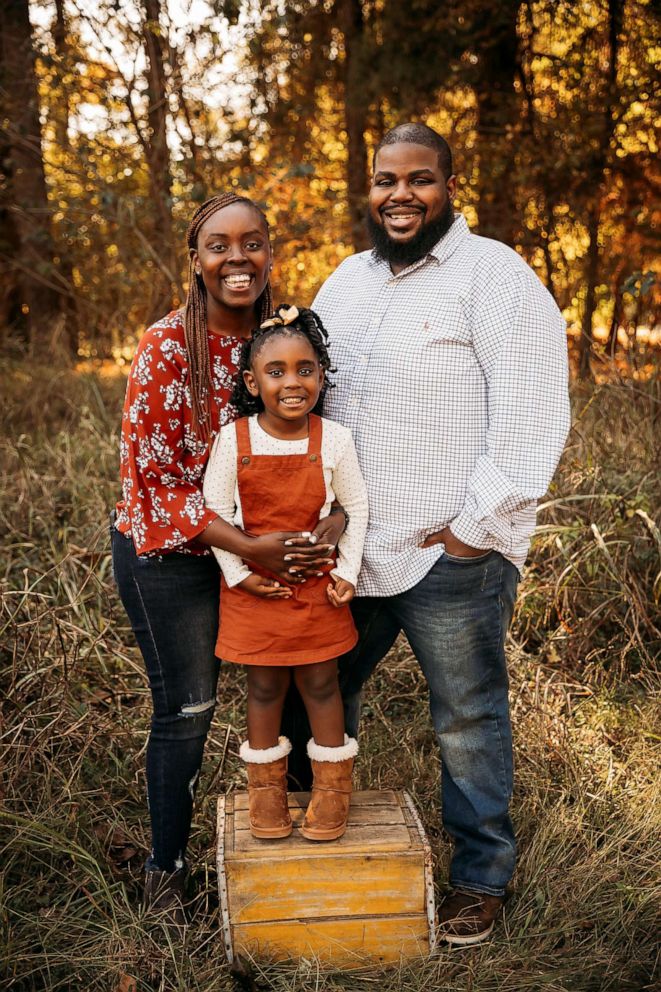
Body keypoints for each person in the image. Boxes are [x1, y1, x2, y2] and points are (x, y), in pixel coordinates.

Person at [310, 122, 571, 945]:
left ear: (448, 185)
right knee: (314, 693)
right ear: (369, 185)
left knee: (464, 717)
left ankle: (480, 877)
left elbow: (534, 415)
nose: (399, 195)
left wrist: (471, 530)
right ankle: (310, 847)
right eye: (386, 178)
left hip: (446, 552)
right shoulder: (344, 283)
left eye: (418, 179)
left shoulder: (494, 276)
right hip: (349, 549)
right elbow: (305, 399)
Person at [110, 193, 346, 927]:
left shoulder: (284, 344)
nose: (236, 258)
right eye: (218, 245)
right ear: (197, 259)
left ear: (269, 253)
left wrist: (335, 520)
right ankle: (165, 873)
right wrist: (247, 548)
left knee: (296, 684)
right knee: (188, 708)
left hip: (274, 556)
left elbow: (331, 446)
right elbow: (153, 484)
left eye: (251, 243)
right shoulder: (166, 347)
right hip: (175, 555)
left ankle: (302, 834)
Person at [203, 304, 368, 842]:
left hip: (318, 591)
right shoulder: (235, 440)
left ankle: (331, 792)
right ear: (253, 382)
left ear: (322, 374)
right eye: (276, 372)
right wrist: (237, 573)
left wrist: (347, 570)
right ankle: (267, 793)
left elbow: (355, 507)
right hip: (257, 589)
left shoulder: (334, 439)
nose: (292, 382)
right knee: (265, 684)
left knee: (323, 684)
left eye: (305, 369)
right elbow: (215, 515)